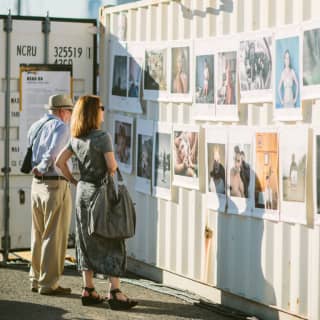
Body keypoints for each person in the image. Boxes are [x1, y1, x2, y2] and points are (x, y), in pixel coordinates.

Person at [56, 95, 137, 310]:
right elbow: (111, 167)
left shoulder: (76, 138)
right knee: (112, 237)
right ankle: (115, 292)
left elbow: (59, 162)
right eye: (101, 107)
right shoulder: (103, 137)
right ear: (93, 112)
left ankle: (88, 289)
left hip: (83, 191)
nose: (103, 110)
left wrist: (73, 180)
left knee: (85, 239)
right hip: (102, 193)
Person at [28, 94, 73, 295]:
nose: (70, 116)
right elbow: (54, 153)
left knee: (37, 234)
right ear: (63, 111)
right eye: (70, 111)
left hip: (36, 186)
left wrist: (37, 169)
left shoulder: (36, 125)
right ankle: (49, 283)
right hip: (54, 184)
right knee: (54, 235)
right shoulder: (61, 127)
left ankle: (35, 278)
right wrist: (43, 167)